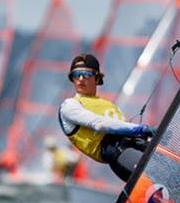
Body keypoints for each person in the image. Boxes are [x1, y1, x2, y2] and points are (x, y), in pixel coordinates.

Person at [58, 53, 155, 182]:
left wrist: (155, 136)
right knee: (155, 178)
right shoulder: (69, 105)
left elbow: (125, 128)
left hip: (135, 143)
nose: (80, 79)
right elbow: (99, 124)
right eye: (76, 75)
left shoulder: (110, 105)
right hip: (117, 151)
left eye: (86, 74)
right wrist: (142, 129)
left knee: (178, 171)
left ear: (97, 78)